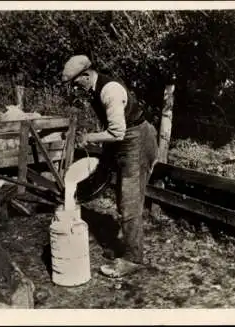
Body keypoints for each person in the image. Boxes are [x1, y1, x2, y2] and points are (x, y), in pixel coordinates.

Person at [61, 55, 158, 278]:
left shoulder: (109, 91)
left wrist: (88, 137)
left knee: (130, 199)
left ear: (86, 75)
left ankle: (134, 259)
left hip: (136, 139)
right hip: (126, 138)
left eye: (77, 83)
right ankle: (126, 245)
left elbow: (117, 132)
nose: (76, 89)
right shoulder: (94, 89)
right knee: (120, 193)